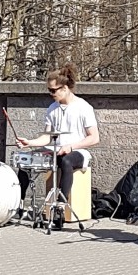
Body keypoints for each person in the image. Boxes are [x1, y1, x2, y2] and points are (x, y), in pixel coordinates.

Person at [14, 64, 100, 229]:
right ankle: (19, 203)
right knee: (25, 159)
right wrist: (30, 143)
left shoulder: (84, 107)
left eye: (54, 90)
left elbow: (94, 138)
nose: (51, 94)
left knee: (66, 161)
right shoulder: (52, 109)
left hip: (78, 151)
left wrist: (71, 146)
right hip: (56, 149)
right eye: (49, 90)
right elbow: (47, 137)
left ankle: (60, 206)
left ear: (65, 88)